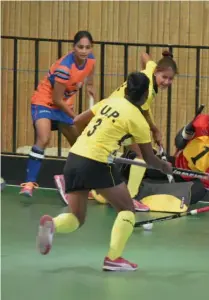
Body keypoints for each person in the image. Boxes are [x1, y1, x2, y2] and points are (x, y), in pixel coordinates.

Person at [36, 72, 172, 271]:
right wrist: (164, 166)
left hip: (74, 157)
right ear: (144, 97)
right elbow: (149, 158)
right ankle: (113, 259)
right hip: (96, 162)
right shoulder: (139, 120)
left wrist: (96, 141)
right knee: (127, 210)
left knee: (77, 218)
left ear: (126, 89)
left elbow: (77, 122)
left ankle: (53, 224)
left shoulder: (108, 102)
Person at [54, 50, 177, 211]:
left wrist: (154, 130)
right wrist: (155, 134)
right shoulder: (144, 96)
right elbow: (144, 113)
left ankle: (82, 184)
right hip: (120, 117)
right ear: (156, 73)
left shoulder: (150, 69)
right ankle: (131, 197)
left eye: (170, 79)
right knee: (141, 155)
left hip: (108, 110)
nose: (166, 82)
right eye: (164, 77)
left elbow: (144, 55)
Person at [20, 30, 96, 197]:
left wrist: (90, 85)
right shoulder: (64, 68)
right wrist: (75, 117)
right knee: (44, 138)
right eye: (80, 47)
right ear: (73, 47)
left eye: (87, 47)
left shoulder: (90, 60)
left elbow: (89, 74)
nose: (84, 51)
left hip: (63, 104)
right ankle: (29, 184)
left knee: (79, 143)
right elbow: (57, 100)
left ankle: (75, 183)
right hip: (45, 102)